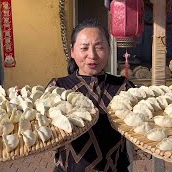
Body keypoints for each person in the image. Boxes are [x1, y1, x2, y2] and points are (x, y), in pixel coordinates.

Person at [47, 19, 144, 172]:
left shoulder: (123, 87)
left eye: (99, 47)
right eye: (84, 48)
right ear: (72, 51)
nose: (92, 55)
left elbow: (143, 123)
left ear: (109, 50)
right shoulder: (58, 88)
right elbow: (42, 127)